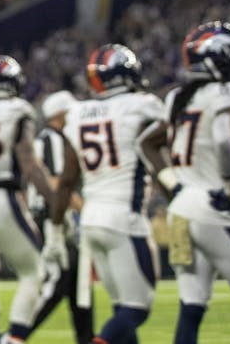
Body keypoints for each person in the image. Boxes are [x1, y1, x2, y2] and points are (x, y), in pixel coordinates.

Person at [149, 22, 230, 344]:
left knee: (192, 306)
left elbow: (145, 144)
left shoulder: (178, 96)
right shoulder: (227, 92)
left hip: (180, 207)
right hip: (211, 206)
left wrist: (173, 185)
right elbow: (222, 140)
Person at [51, 43, 165, 344]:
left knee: (121, 308)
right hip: (124, 218)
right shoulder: (142, 105)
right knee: (137, 309)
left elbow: (67, 180)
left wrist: (53, 230)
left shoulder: (76, 112)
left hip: (90, 220)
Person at [0, 55, 55, 344]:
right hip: (1, 196)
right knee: (35, 272)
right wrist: (55, 200)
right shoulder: (17, 109)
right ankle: (15, 338)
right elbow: (30, 163)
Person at [25, 90, 95, 343]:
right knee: (60, 279)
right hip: (50, 215)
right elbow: (56, 182)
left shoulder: (50, 139)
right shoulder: (53, 139)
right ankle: (16, 333)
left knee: (78, 280)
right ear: (61, 115)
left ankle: (86, 338)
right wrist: (86, 208)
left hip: (54, 214)